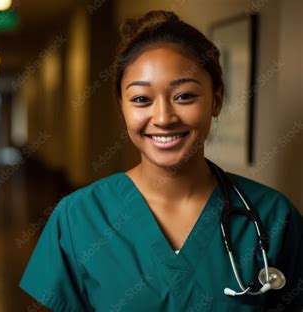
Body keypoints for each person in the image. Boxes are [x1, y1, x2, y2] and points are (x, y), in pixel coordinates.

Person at [19, 10, 303, 311]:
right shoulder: (78, 218)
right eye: (141, 99)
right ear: (122, 107)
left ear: (216, 100)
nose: (164, 118)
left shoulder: (273, 216)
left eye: (184, 96)